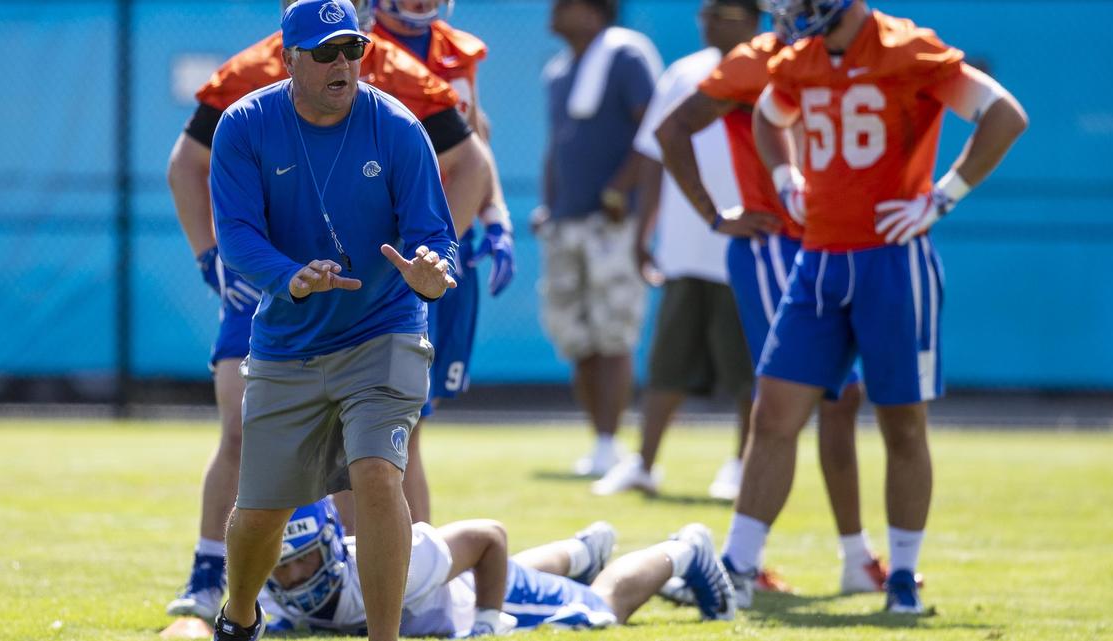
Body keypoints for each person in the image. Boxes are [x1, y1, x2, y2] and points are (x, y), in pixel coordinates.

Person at [165, 0, 496, 621]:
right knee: (261, 509)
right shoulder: (244, 121)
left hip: (384, 325)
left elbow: (437, 223)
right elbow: (236, 232)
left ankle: (386, 631)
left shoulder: (399, 123)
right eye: (325, 52)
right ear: (288, 57)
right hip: (288, 334)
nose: (343, 62)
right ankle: (237, 610)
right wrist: (285, 276)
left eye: (352, 49)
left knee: (377, 472)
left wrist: (434, 271)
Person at [730, 0, 1028, 613]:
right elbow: (767, 117)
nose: (789, 9)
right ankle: (736, 567)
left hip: (892, 261)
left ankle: (903, 576)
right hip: (817, 259)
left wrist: (942, 197)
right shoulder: (803, 58)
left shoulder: (908, 49)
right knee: (773, 414)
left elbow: (1005, 115)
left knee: (901, 421)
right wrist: (788, 183)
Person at [653, 0, 887, 595]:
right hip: (775, 244)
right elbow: (671, 129)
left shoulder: (850, 55)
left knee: (843, 400)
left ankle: (854, 558)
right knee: (786, 400)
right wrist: (715, 214)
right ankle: (741, 564)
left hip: (835, 243)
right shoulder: (758, 61)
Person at [591, 0, 758, 507]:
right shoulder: (684, 72)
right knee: (667, 363)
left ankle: (742, 464)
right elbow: (656, 155)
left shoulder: (772, 70)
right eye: (704, 13)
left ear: (753, 18)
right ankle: (643, 464)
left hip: (748, 248)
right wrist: (647, 233)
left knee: (746, 369)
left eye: (721, 12)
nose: (707, 22)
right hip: (685, 249)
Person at [369, 0, 516, 525]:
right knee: (372, 423)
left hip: (432, 247)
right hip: (374, 248)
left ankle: (412, 570)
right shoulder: (349, 53)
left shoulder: (454, 52)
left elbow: (475, 139)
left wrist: (493, 215)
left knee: (407, 423)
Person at [260, 499, 736, 636]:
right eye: (282, 567)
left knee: (602, 608)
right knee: (504, 576)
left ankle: (685, 551)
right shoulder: (261, 588)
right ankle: (580, 553)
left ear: (332, 546)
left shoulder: (389, 564)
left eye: (305, 560)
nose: (296, 577)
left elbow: (489, 536)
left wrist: (487, 623)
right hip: (451, 588)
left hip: (473, 599)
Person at [536, 0, 662, 477]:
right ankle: (600, 441)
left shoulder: (627, 56)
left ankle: (610, 443)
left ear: (593, 13)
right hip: (566, 222)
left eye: (566, 4)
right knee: (577, 337)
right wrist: (550, 204)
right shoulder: (559, 70)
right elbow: (558, 146)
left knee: (612, 335)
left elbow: (653, 129)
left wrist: (620, 188)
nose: (554, 10)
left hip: (611, 223)